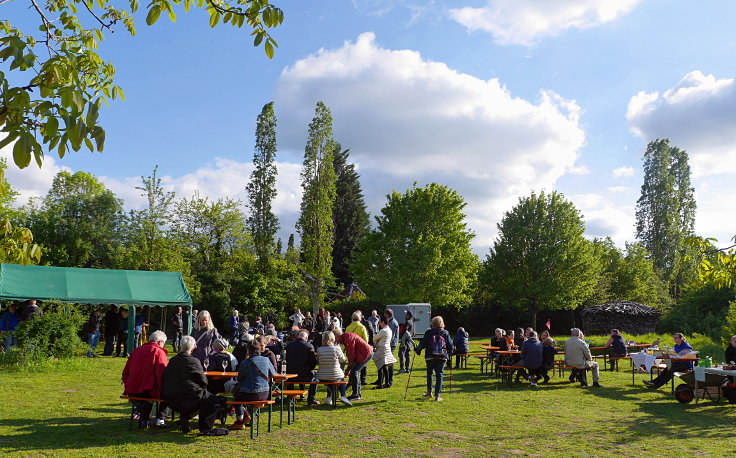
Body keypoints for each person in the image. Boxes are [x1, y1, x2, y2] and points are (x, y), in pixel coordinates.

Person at [162, 335, 227, 434]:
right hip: (188, 398)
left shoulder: (172, 360)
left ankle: (185, 418)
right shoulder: (193, 361)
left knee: (201, 395)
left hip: (171, 398)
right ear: (193, 347)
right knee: (210, 399)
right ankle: (205, 428)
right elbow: (204, 381)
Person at [122, 330, 170, 428]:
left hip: (133, 390)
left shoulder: (136, 351)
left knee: (147, 392)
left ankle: (144, 421)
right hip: (148, 390)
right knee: (168, 393)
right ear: (160, 342)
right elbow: (162, 373)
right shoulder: (159, 352)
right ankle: (160, 419)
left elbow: (125, 372)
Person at [228, 340, 276, 430]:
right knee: (241, 396)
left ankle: (241, 420)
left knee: (236, 396)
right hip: (265, 393)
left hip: (250, 393)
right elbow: (273, 374)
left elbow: (239, 378)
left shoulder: (245, 363)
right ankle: (246, 419)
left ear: (248, 350)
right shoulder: (266, 360)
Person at [415, 316, 453, 401]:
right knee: (439, 375)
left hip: (430, 356)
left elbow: (423, 343)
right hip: (441, 357)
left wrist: (417, 350)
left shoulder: (428, 332)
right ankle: (437, 396)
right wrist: (450, 353)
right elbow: (450, 345)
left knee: (429, 373)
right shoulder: (445, 332)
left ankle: (429, 393)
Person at [334, 328, 373, 401]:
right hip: (363, 353)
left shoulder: (348, 338)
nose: (334, 341)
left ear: (338, 337)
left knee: (354, 372)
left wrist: (348, 368)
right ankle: (357, 393)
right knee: (355, 372)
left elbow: (351, 354)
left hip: (365, 353)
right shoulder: (346, 337)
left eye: (334, 339)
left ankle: (356, 394)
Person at [315, 331, 353, 406]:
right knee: (339, 379)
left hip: (322, 376)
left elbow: (318, 361)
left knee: (329, 379)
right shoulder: (336, 349)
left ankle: (329, 397)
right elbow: (343, 360)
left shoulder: (319, 349)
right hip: (335, 375)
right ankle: (343, 395)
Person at [285, 329, 319, 405]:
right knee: (315, 377)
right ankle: (311, 398)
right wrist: (309, 368)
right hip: (304, 375)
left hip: (290, 375)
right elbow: (313, 362)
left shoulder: (289, 346)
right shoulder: (308, 346)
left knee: (290, 374)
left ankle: (289, 397)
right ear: (306, 338)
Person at [373, 316, 397, 389]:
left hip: (382, 349)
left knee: (382, 366)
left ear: (383, 322)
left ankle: (383, 383)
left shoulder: (383, 330)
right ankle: (386, 382)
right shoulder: (389, 330)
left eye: (380, 322)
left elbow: (375, 338)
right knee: (384, 366)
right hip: (386, 348)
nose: (380, 324)